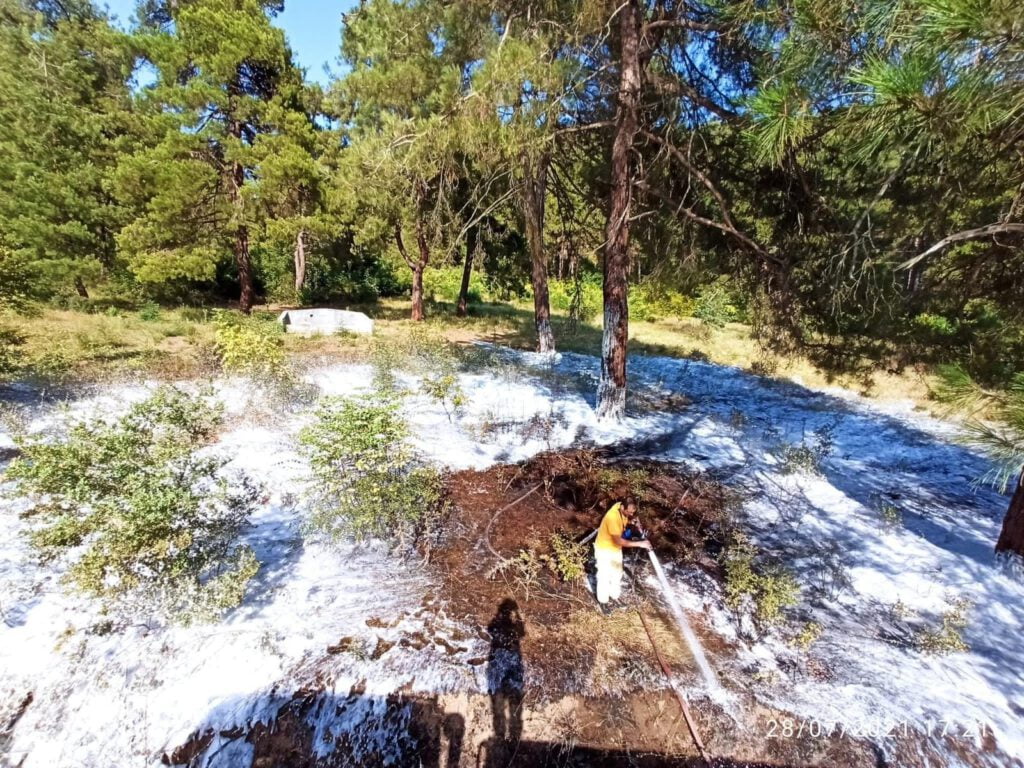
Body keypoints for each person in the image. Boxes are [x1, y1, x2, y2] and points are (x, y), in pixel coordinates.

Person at [593, 496, 651, 607]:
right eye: (629, 512)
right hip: (604, 549)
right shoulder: (612, 517)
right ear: (623, 507)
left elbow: (627, 518)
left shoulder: (622, 508)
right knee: (604, 575)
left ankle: (615, 597)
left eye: (632, 512)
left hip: (615, 549)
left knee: (616, 575)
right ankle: (603, 602)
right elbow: (618, 541)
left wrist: (631, 520)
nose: (631, 514)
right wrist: (640, 543)